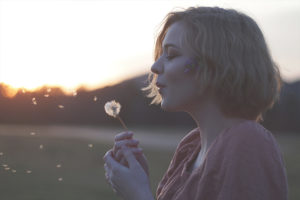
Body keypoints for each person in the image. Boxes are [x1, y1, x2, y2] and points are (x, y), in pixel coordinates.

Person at [103, 6, 288, 200]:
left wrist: (138, 195)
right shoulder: (190, 147)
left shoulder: (248, 142)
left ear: (215, 64)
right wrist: (138, 180)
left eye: (172, 55)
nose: (155, 66)